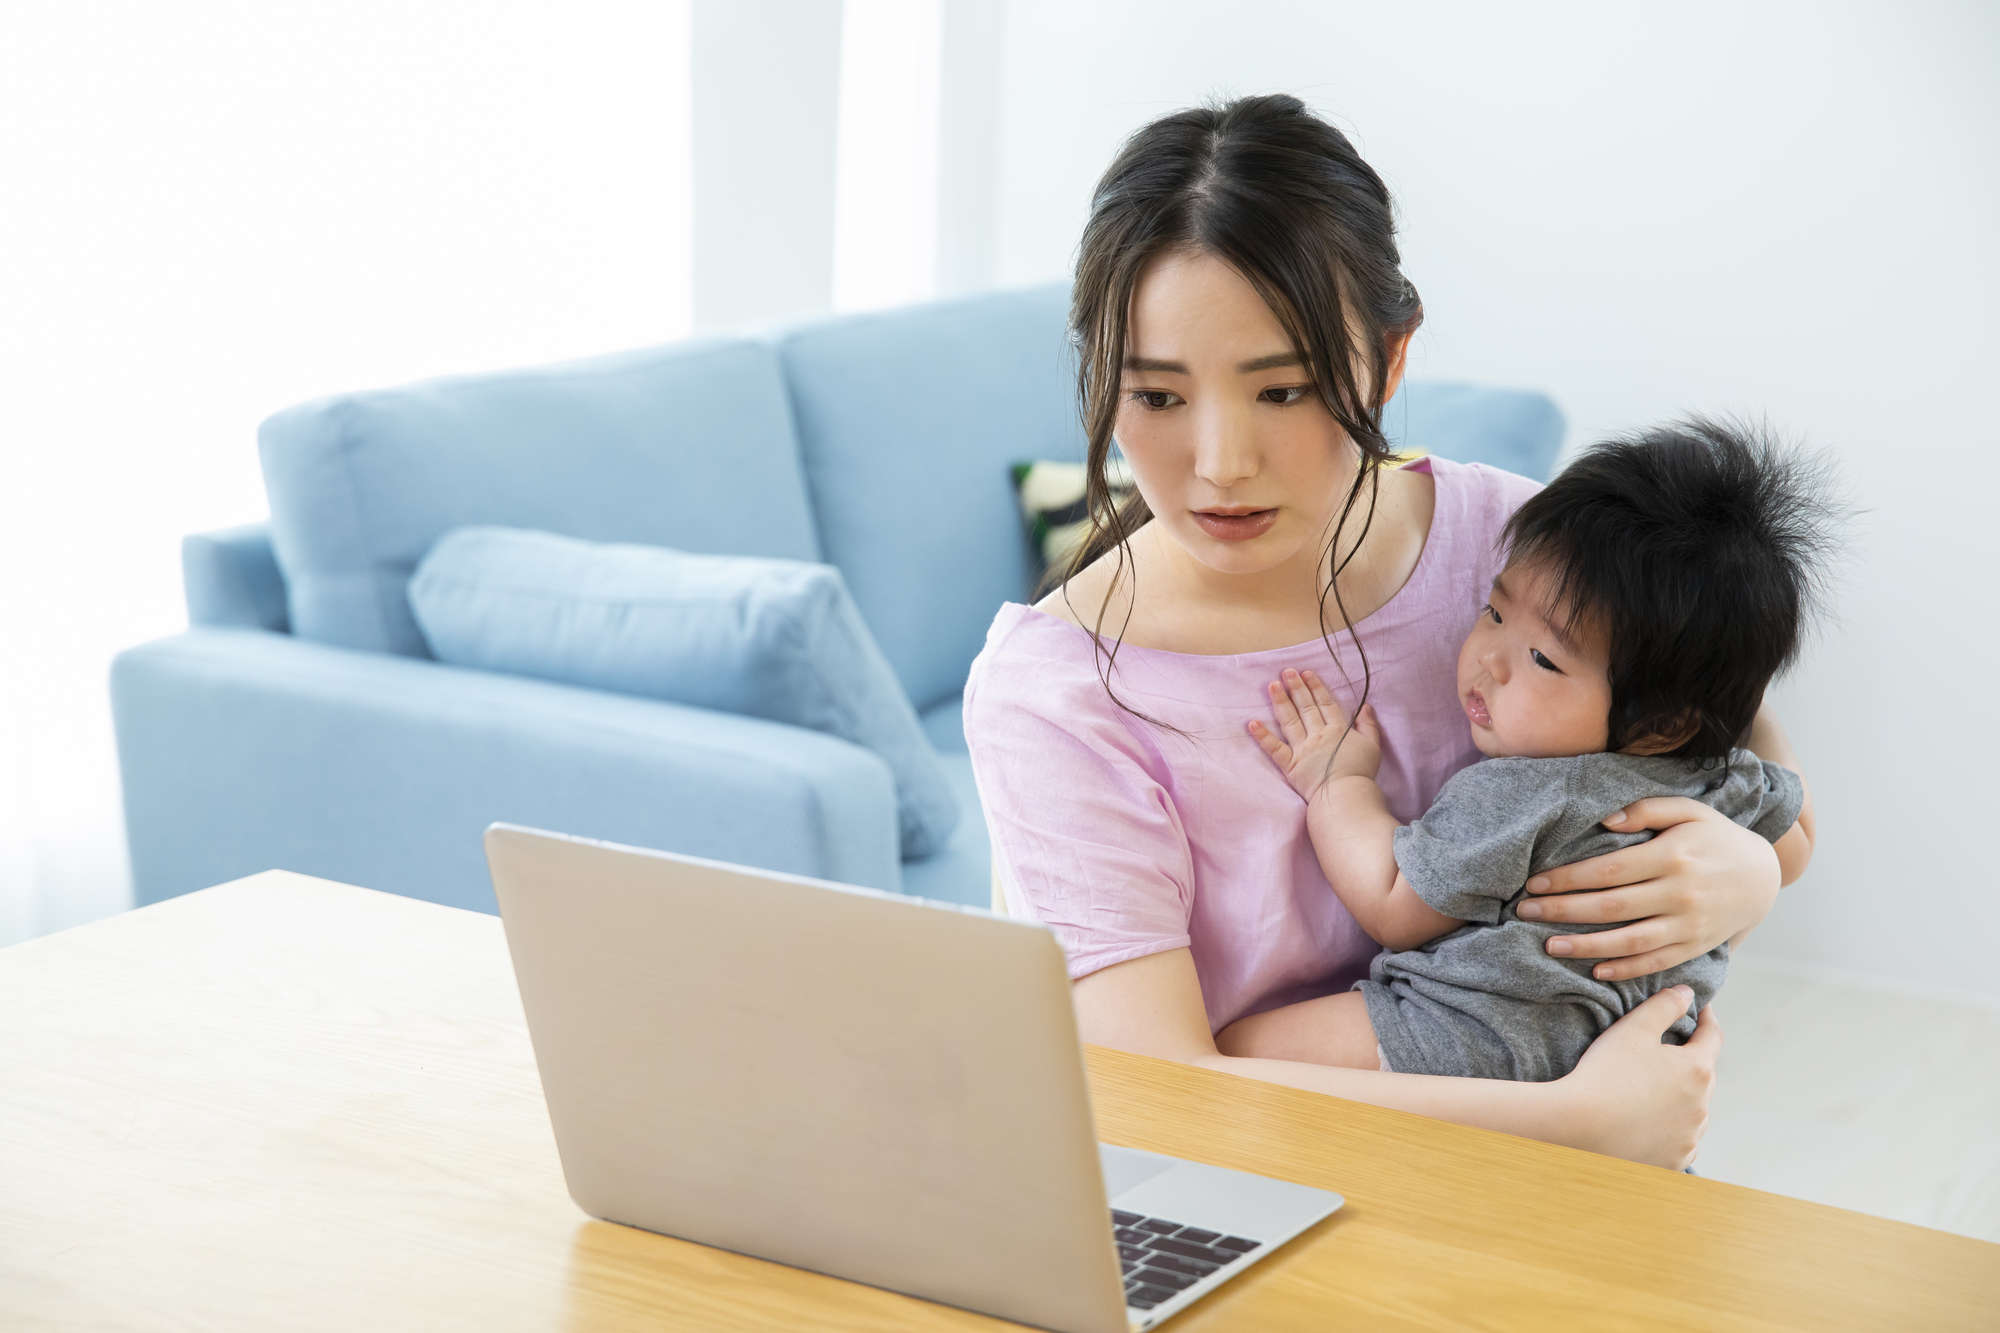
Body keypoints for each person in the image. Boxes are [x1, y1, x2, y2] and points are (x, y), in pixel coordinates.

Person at [962, 94, 1814, 1171]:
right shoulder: (1061, 691)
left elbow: (1728, 736)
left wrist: (1749, 871)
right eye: (1156, 397)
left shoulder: (1515, 548)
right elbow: (1153, 1100)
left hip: (1580, 1191)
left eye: (1282, 389)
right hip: (1262, 1194)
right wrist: (1578, 1121)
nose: (1220, 461)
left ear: (1390, 358)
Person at [1217, 422, 1829, 1080]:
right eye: (1494, 611)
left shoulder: (1533, 791)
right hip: (1633, 1057)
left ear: (1662, 722)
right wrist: (1738, 697)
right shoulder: (1723, 776)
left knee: (1237, 1054)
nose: (1491, 660)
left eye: (1543, 658)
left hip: (1472, 1035)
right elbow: (1795, 840)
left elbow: (1394, 901)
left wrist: (1339, 779)